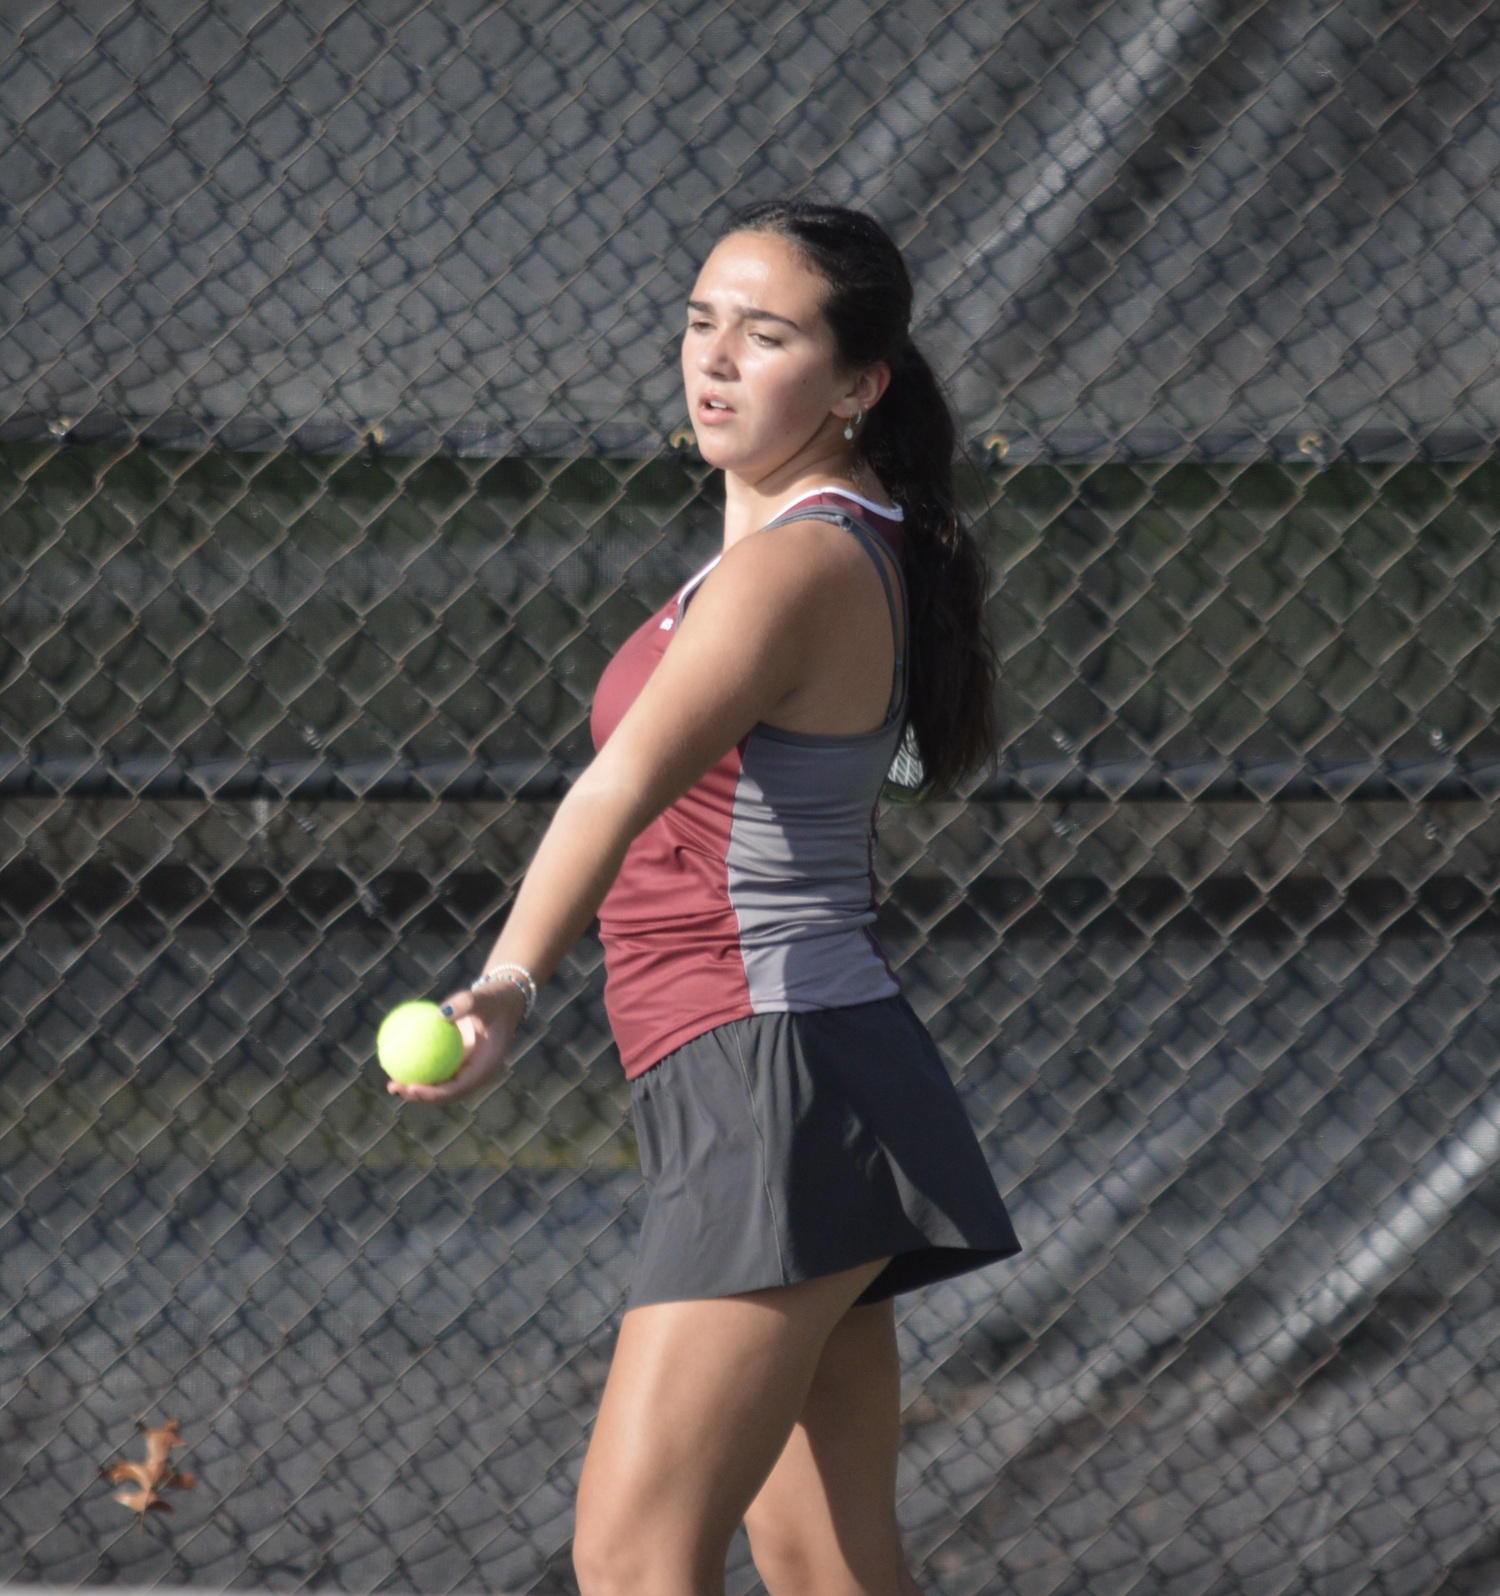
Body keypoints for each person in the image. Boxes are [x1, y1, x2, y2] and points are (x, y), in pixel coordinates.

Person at [387, 198, 1021, 1596]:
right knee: (826, 1559)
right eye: (699, 321)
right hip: (802, 1063)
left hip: (774, 1074)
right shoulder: (789, 547)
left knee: (633, 1557)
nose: (716, 358)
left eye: (769, 332)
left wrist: (507, 981)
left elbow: (614, 790)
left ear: (860, 385)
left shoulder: (795, 568)